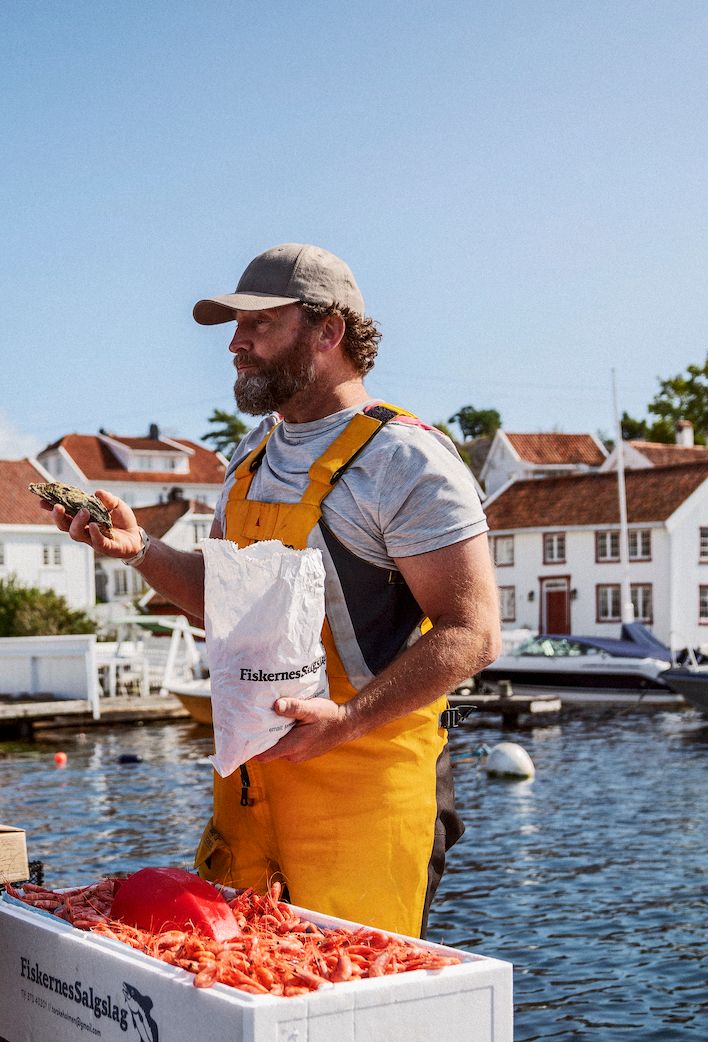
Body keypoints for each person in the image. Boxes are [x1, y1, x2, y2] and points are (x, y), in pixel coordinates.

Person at [43, 243, 501, 938]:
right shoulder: (249, 459)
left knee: (349, 1002)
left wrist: (345, 721)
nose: (236, 343)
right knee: (235, 992)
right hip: (250, 789)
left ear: (329, 330)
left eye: (259, 324)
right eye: (234, 327)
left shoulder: (404, 460)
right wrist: (140, 550)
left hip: (365, 790)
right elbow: (232, 604)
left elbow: (473, 632)